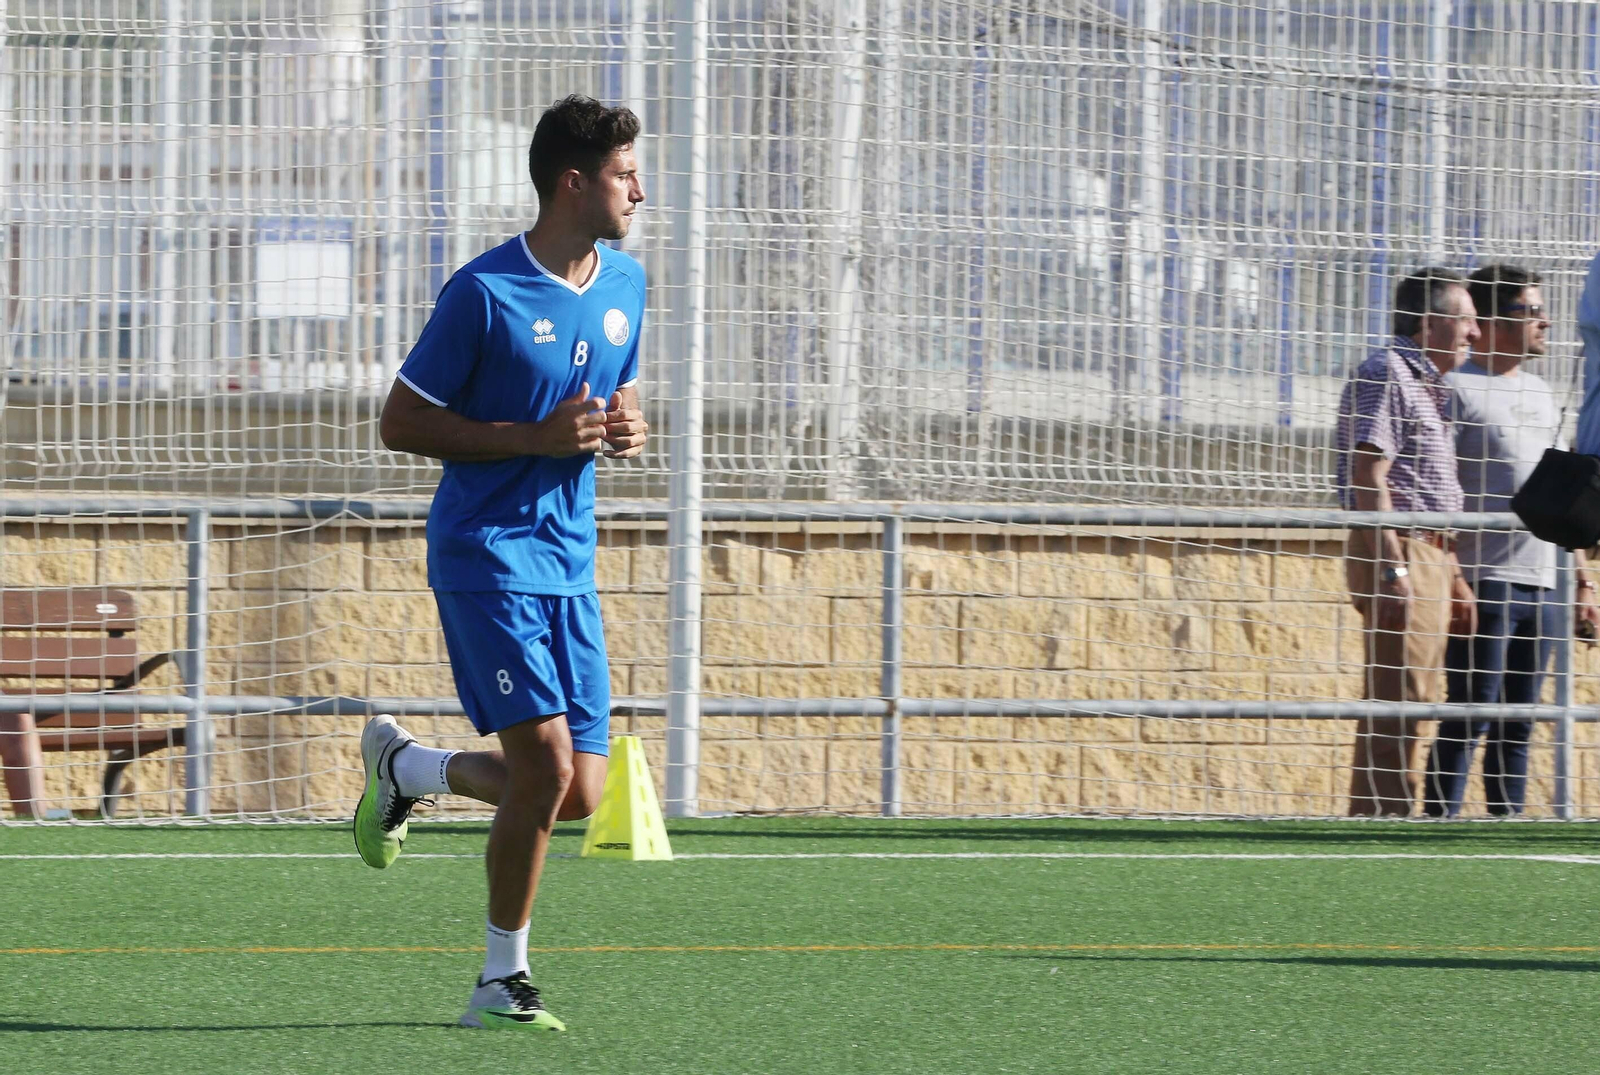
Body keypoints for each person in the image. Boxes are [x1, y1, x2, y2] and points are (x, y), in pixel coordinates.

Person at [357, 94, 649, 1031]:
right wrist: (530, 434)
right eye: (622, 174)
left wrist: (625, 425)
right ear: (574, 182)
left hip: (570, 560)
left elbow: (611, 390)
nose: (638, 189)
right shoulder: (482, 292)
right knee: (547, 763)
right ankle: (499, 979)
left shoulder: (626, 286)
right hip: (487, 556)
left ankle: (409, 770)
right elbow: (401, 422)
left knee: (580, 792)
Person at [1425, 265, 1600, 816]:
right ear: (1496, 322)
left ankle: (1506, 830)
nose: (1546, 322)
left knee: (1521, 719)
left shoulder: (1543, 391)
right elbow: (1438, 487)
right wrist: (1452, 573)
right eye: (1532, 312)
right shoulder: (1455, 389)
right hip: (1487, 579)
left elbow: (1559, 495)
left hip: (1545, 582)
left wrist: (1580, 579)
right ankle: (1438, 824)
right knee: (1472, 710)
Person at [1335, 267, 1479, 816]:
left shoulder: (1425, 383)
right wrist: (1395, 570)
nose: (1476, 334)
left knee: (1412, 697)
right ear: (1429, 324)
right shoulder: (1388, 373)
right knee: (1402, 699)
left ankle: (1383, 818)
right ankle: (1382, 825)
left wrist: (1454, 574)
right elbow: (1369, 476)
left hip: (1429, 552)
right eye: (1466, 320)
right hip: (1401, 547)